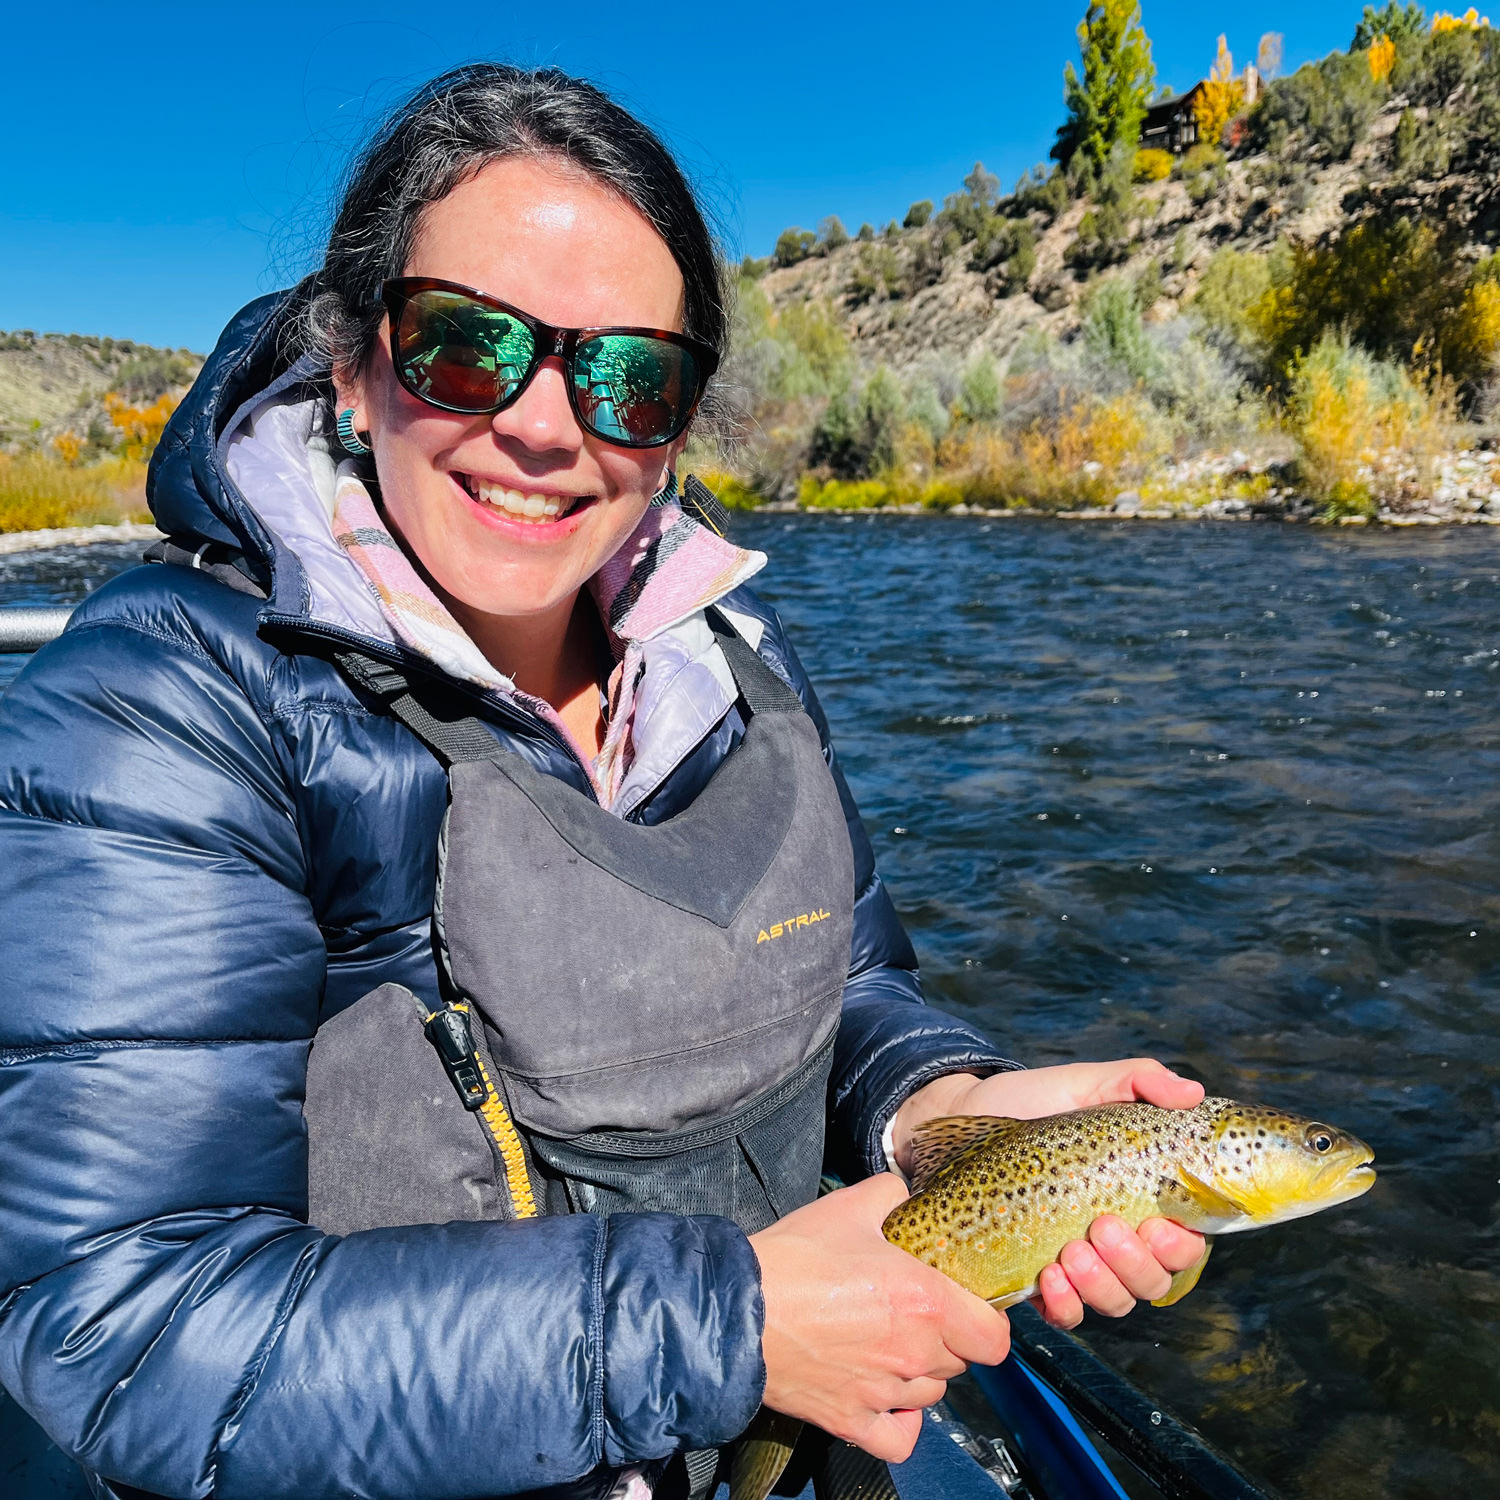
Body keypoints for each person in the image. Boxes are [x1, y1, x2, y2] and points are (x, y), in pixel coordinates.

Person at [0, 65, 1205, 1500]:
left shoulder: (737, 663)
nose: (547, 425)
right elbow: (127, 1326)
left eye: (630, 373)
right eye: (467, 348)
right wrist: (731, 1329)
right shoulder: (162, 712)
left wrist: (941, 1119)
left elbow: (846, 984)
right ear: (353, 361)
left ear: (680, 423)